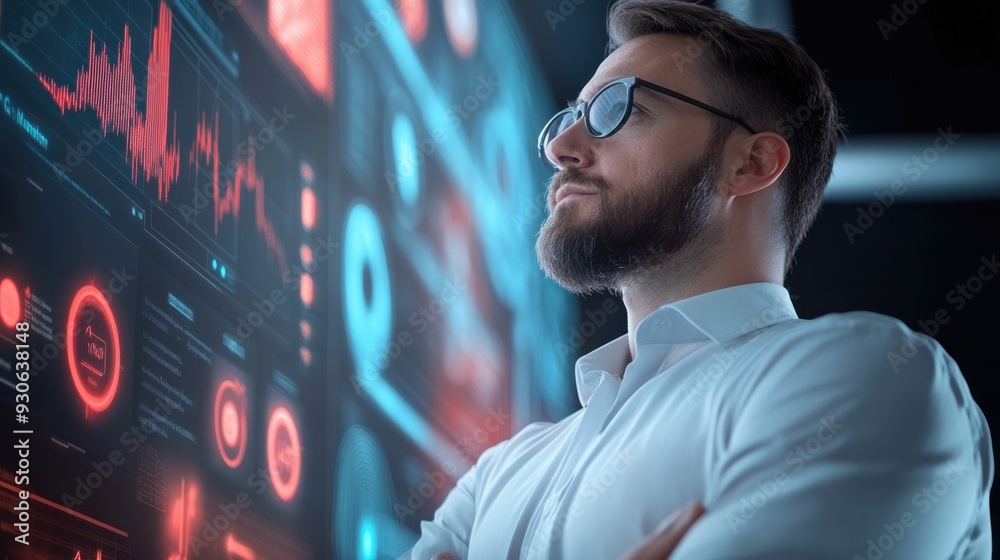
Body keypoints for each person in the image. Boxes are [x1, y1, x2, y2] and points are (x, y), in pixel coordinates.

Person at [400, 1, 993, 558]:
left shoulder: (863, 373)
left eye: (617, 109)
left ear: (751, 163)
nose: (560, 146)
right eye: (570, 117)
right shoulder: (498, 476)